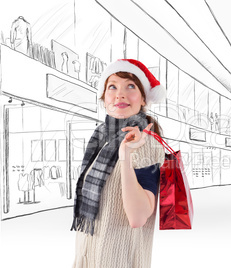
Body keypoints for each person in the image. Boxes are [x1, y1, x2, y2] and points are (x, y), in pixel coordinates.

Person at [71, 59, 166, 268]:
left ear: (143, 99)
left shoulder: (146, 144)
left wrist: (125, 156)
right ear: (104, 98)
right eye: (112, 86)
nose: (120, 94)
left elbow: (138, 217)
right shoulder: (100, 141)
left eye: (130, 86)